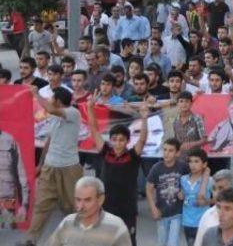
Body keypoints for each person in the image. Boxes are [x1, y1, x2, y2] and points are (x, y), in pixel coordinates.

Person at [87, 96, 149, 246]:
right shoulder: (105, 152)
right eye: (114, 139)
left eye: (121, 140)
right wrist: (90, 107)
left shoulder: (132, 156)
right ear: (110, 140)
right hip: (106, 205)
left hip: (127, 207)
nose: (117, 143)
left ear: (127, 141)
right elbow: (94, 129)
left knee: (127, 239)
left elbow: (142, 139)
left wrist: (144, 118)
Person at [25, 88, 84, 245]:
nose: (49, 100)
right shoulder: (54, 117)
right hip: (50, 167)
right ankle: (30, 240)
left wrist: (36, 94)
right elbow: (50, 140)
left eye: (52, 98)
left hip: (69, 168)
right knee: (41, 205)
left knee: (72, 206)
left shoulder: (73, 112)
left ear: (58, 101)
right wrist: (40, 164)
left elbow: (49, 108)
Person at [47, 176, 132, 246]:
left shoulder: (116, 226)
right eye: (78, 200)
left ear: (100, 199)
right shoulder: (67, 222)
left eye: (87, 200)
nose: (81, 206)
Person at [146, 138, 189, 246]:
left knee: (172, 243)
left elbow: (189, 182)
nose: (166, 153)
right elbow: (149, 188)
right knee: (162, 242)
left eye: (170, 150)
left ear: (177, 153)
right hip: (161, 212)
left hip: (177, 212)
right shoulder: (156, 168)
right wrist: (153, 208)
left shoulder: (183, 166)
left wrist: (183, 191)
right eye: (164, 149)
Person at [180, 148, 214, 246]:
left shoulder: (209, 181)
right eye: (190, 161)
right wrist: (180, 194)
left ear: (204, 164)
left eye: (196, 161)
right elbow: (182, 193)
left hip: (203, 222)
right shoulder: (183, 179)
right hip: (187, 222)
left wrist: (206, 201)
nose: (193, 165)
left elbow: (219, 199)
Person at [0, 129, 28, 229]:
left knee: (7, 232)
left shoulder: (9, 141)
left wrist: (24, 204)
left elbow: (21, 173)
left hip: (6, 199)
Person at [173, 92, 207, 156]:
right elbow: (176, 140)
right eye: (181, 101)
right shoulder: (175, 121)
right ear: (177, 104)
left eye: (187, 101)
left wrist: (192, 144)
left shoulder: (197, 119)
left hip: (195, 157)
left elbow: (204, 140)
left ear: (191, 103)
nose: (184, 104)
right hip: (180, 157)